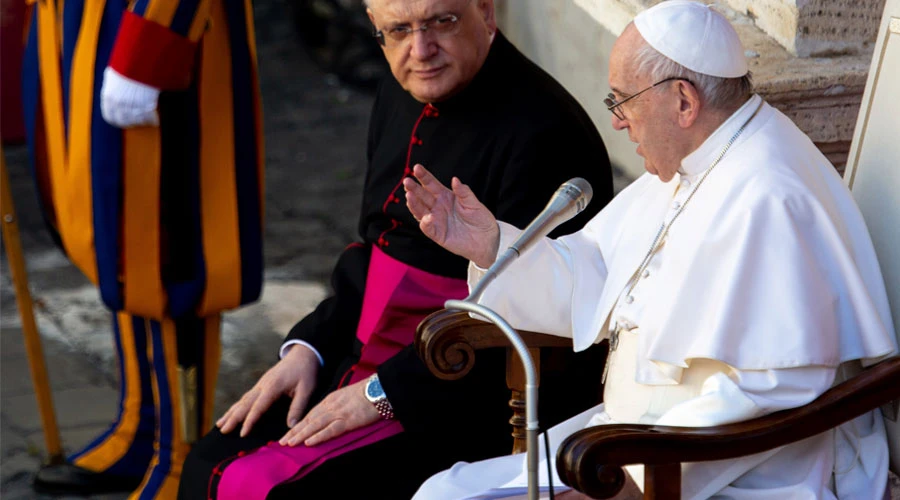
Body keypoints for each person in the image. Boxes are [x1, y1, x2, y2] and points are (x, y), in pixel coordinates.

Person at [405, 1, 899, 498]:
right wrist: (493, 245)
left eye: (622, 100)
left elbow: (773, 389)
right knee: (442, 491)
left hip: (722, 471)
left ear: (683, 101)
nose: (618, 122)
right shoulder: (691, 160)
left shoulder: (770, 197)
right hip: (630, 439)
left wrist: (635, 479)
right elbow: (595, 273)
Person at [177, 0, 615, 498]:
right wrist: (308, 348)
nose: (421, 50)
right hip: (362, 350)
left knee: (278, 489)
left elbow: (538, 313)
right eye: (398, 30)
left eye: (440, 23)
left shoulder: (545, 130)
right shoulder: (399, 88)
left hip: (462, 390)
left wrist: (384, 394)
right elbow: (373, 246)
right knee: (210, 462)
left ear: (486, 14)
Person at [21, 0, 264, 497]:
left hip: (157, 21)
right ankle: (144, 430)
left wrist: (153, 44)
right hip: (79, 22)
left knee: (172, 247)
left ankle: (183, 458)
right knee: (119, 239)